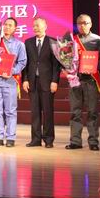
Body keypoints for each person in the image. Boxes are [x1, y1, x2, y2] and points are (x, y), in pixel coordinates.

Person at [66, 14, 100, 151]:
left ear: (91, 24)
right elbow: (65, 59)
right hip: (75, 81)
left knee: (92, 112)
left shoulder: (97, 40)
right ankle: (75, 141)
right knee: (75, 112)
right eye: (79, 23)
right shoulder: (71, 40)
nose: (82, 25)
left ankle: (93, 141)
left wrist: (93, 67)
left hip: (91, 80)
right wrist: (67, 69)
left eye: (85, 23)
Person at [0, 17, 27, 147]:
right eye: (5, 25)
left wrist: (12, 71)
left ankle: (10, 138)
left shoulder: (19, 45)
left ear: (15, 28)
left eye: (10, 25)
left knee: (10, 111)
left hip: (10, 81)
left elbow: (22, 62)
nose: (7, 27)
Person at [22, 17, 61, 148]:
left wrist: (55, 81)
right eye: (34, 26)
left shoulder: (53, 42)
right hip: (32, 81)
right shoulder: (28, 42)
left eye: (38, 25)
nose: (35, 28)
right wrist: (25, 79)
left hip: (47, 82)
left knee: (48, 112)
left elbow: (56, 65)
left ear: (45, 26)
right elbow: (25, 63)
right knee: (35, 112)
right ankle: (35, 139)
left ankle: (49, 140)